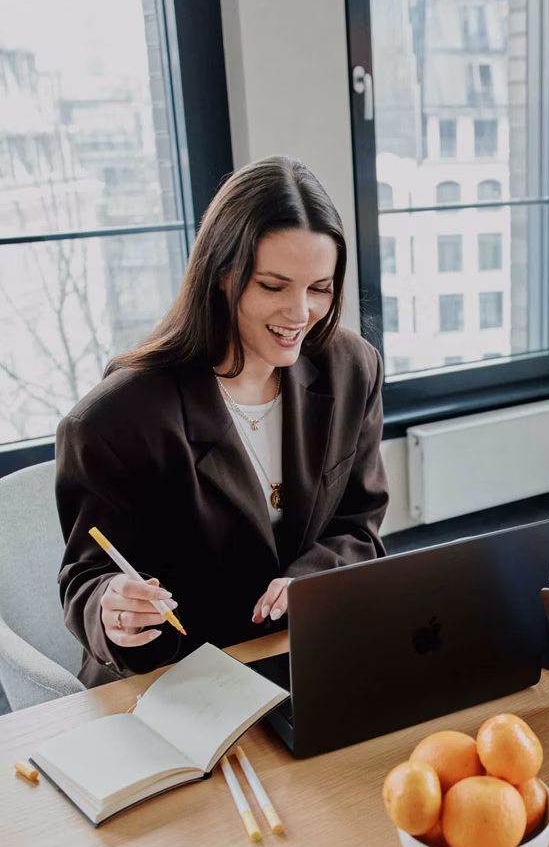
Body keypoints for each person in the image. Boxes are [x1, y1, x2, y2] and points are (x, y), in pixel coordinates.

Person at [56, 155, 389, 687]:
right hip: (175, 677)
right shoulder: (112, 420)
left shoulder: (351, 367)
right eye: (274, 286)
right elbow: (87, 578)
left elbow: (359, 523)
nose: (301, 313)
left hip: (298, 653)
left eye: (320, 288)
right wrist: (112, 611)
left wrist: (312, 579)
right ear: (221, 277)